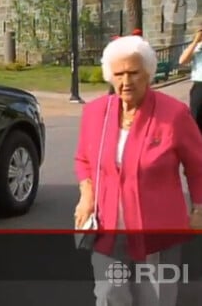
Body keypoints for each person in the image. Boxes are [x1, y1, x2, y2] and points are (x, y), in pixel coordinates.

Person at [74, 35, 202, 306]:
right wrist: (87, 194)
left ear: (148, 74)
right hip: (108, 228)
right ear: (110, 76)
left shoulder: (174, 114)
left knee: (154, 299)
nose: (126, 81)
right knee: (109, 295)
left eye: (134, 73)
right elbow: (83, 158)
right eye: (119, 74)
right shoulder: (96, 113)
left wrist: (199, 207)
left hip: (158, 229)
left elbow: (198, 166)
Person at [178, 29, 202, 132]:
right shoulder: (198, 46)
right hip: (199, 86)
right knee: (196, 121)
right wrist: (195, 41)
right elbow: (182, 60)